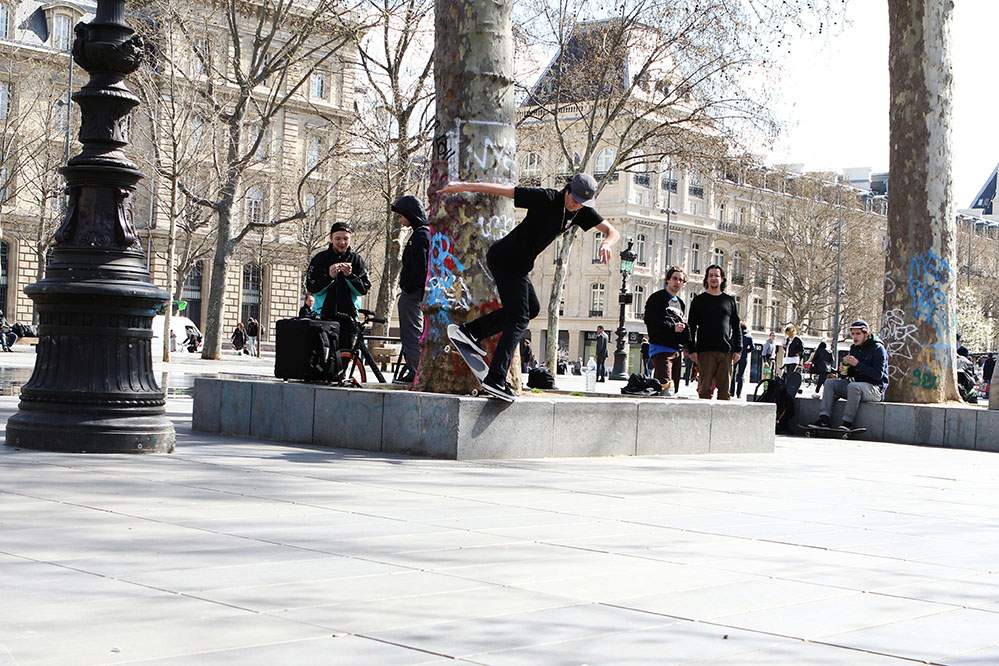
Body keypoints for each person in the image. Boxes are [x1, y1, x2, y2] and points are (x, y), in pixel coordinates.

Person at [442, 174, 619, 401]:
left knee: (531, 309)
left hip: (520, 268)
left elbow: (613, 231)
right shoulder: (545, 197)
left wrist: (606, 242)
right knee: (519, 318)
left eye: (582, 203)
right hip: (504, 259)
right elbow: (503, 189)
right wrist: (461, 185)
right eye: (574, 200)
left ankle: (470, 332)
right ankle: (495, 379)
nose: (576, 206)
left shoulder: (582, 211)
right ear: (567, 191)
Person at [811, 320, 888, 431]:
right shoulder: (854, 348)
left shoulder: (878, 348)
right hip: (856, 388)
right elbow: (851, 374)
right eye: (853, 334)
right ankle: (824, 419)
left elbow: (877, 375)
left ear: (866, 334)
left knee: (854, 386)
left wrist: (857, 364)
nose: (855, 337)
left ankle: (847, 423)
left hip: (875, 389)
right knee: (829, 383)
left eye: (858, 334)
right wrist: (844, 371)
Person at [306, 222, 372, 349]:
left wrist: (350, 277)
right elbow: (311, 287)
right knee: (323, 358)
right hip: (323, 316)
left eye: (345, 238)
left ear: (350, 239)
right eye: (338, 238)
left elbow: (364, 289)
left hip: (349, 317)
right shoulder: (319, 259)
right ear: (331, 238)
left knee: (345, 356)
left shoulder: (357, 260)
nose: (342, 242)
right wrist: (329, 277)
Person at [686, 264, 741, 400]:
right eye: (710, 275)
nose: (713, 278)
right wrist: (692, 349)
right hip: (705, 351)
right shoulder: (698, 300)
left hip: (725, 352)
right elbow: (691, 326)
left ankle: (722, 421)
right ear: (706, 279)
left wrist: (738, 349)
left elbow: (736, 325)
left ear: (722, 279)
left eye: (716, 275)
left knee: (724, 392)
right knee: (704, 390)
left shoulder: (729, 300)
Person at [392, 195, 431, 385]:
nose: (400, 220)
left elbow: (421, 267)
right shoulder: (421, 234)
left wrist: (412, 288)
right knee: (412, 333)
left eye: (401, 216)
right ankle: (414, 368)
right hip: (414, 292)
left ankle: (415, 370)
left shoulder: (420, 235)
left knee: (412, 334)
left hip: (413, 294)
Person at [643, 266, 688, 397]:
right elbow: (650, 321)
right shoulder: (657, 298)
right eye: (675, 278)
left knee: (672, 389)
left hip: (676, 350)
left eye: (681, 280)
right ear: (668, 280)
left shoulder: (680, 303)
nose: (677, 282)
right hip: (660, 348)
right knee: (666, 387)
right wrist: (672, 328)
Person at [730, 323, 754, 398]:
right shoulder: (749, 337)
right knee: (741, 375)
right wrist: (746, 351)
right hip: (744, 357)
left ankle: (732, 392)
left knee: (733, 374)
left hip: (735, 356)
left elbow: (730, 343)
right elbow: (752, 347)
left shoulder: (735, 336)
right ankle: (739, 394)